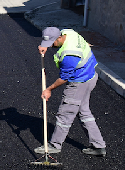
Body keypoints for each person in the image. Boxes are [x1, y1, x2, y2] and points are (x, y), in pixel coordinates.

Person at [36, 27, 106, 157]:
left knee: (65, 114)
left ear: (59, 37)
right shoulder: (69, 32)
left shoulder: (69, 55)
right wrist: (45, 46)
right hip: (90, 76)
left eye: (52, 43)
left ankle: (54, 145)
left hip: (79, 83)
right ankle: (98, 146)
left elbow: (64, 78)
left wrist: (49, 89)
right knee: (84, 112)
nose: (51, 46)